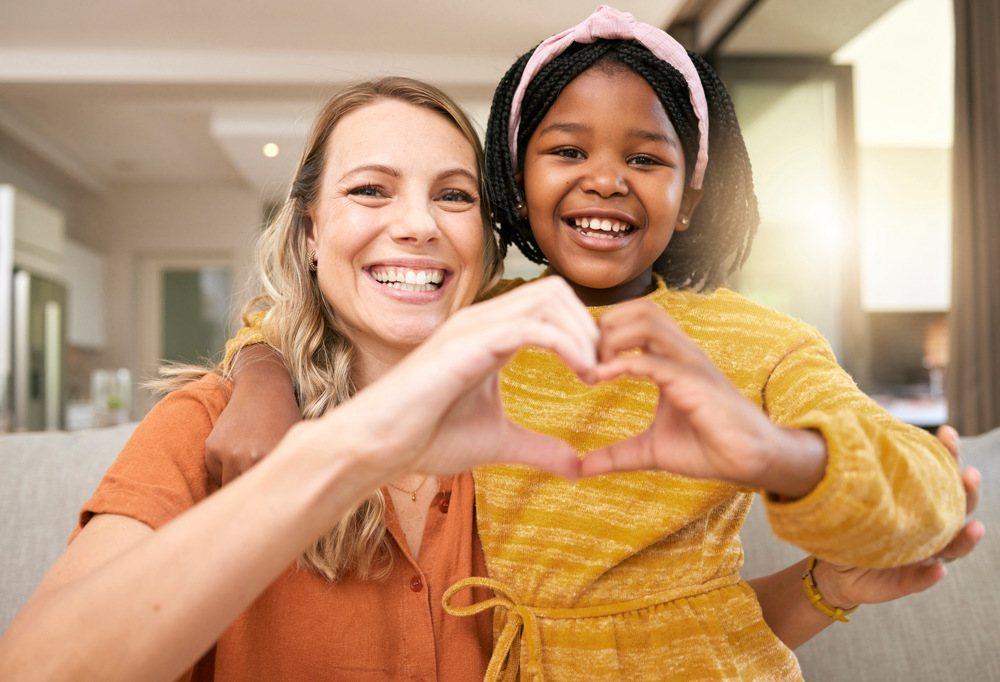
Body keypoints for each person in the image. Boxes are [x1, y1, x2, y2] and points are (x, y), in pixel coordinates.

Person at [210, 8, 976, 681]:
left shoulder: (760, 344)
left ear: (690, 198)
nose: (607, 180)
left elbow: (928, 499)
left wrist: (774, 453)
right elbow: (307, 316)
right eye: (568, 152)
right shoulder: (477, 323)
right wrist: (262, 375)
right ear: (515, 179)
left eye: (646, 159)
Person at [0, 77, 608, 682]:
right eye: (371, 190)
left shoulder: (545, 411)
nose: (420, 224)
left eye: (455, 197)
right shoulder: (209, 423)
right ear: (311, 233)